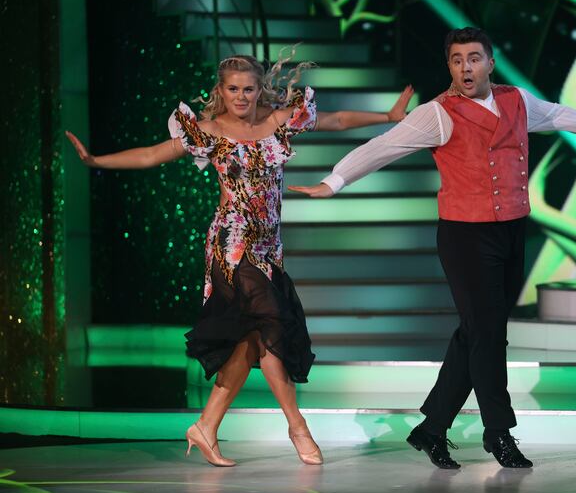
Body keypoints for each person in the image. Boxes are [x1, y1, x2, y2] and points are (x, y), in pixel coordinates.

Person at [289, 28, 576, 469]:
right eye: (457, 60)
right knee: (489, 336)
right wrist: (334, 181)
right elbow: (384, 146)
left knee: (476, 333)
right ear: (450, 67)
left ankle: (431, 428)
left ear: (490, 63)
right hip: (465, 236)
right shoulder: (437, 114)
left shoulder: (518, 100)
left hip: (512, 229)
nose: (466, 67)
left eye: (474, 58)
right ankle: (499, 433)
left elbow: (559, 116)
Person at [66, 54, 414, 467]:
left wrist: (389, 115)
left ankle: (207, 426)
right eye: (232, 89)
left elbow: (336, 120)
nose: (241, 96)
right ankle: (297, 425)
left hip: (269, 248)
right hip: (231, 246)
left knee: (251, 341)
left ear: (259, 89)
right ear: (221, 91)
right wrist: (95, 162)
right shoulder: (208, 132)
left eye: (248, 89)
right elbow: (150, 155)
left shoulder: (281, 120)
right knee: (271, 323)